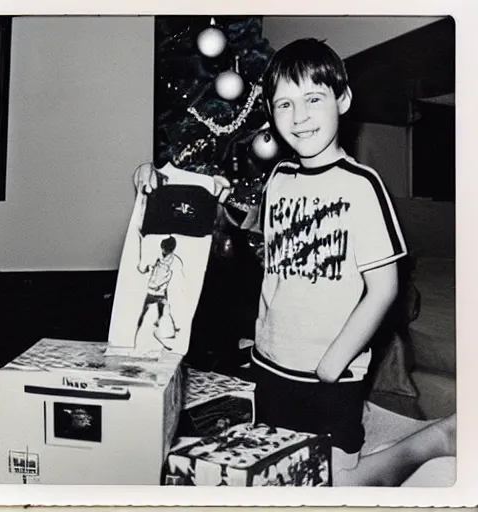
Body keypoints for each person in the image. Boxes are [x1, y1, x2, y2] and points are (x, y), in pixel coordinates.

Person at [134, 38, 456, 486]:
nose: (299, 116)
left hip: (332, 370)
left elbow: (384, 286)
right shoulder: (279, 178)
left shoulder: (361, 185)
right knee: (285, 471)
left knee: (337, 483)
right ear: (270, 110)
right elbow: (262, 237)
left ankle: (429, 442)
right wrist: (170, 187)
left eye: (313, 99)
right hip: (270, 361)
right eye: (284, 103)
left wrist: (334, 362)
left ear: (342, 100)